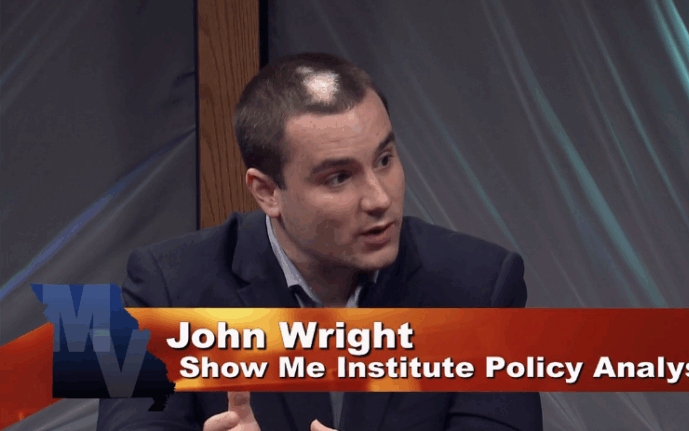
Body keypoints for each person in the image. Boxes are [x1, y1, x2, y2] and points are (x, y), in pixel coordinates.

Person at [96, 53, 542, 431]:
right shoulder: (164, 289)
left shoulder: (481, 287)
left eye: (385, 159)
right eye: (339, 177)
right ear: (267, 192)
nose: (380, 199)